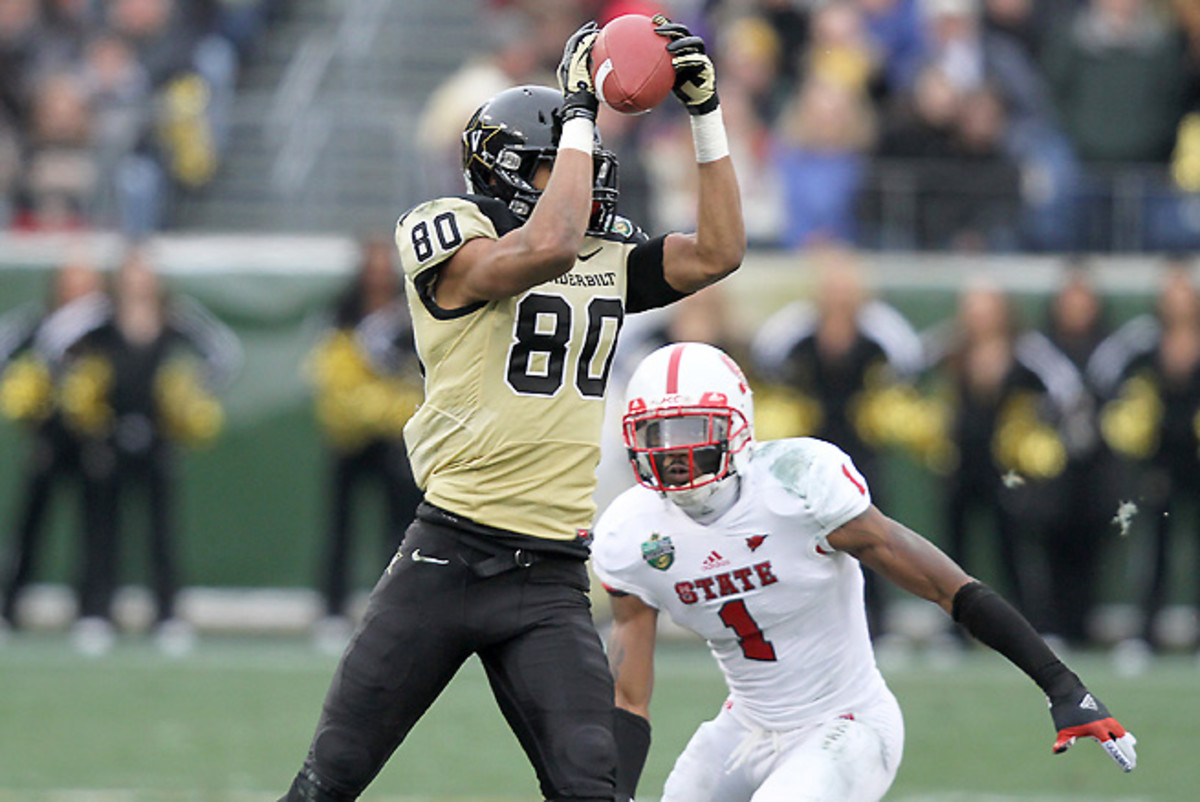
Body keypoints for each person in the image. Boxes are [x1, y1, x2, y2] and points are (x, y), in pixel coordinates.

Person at [279, 14, 744, 802]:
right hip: (447, 554)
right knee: (332, 778)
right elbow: (544, 246)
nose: (588, 181)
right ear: (502, 171)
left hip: (550, 575)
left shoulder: (599, 251)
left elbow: (718, 252)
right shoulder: (448, 230)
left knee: (592, 782)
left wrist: (706, 115)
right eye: (561, 162)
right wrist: (579, 110)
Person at [594, 341, 1137, 802]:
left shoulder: (795, 485)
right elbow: (628, 698)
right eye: (657, 433)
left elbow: (948, 589)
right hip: (746, 726)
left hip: (847, 722)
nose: (674, 451)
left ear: (736, 426)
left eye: (690, 428)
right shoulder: (633, 532)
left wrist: (1061, 684)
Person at [38, 245, 242, 654]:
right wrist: (78, 383)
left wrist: (192, 387)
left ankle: (166, 614)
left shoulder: (176, 317)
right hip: (107, 437)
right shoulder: (98, 317)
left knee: (161, 531)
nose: (138, 282)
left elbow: (225, 352)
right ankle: (95, 613)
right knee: (101, 528)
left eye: (145, 274)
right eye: (131, 274)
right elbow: (51, 344)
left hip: (159, 436)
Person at [304, 235, 423, 653]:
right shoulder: (341, 314)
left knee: (401, 528)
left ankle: (394, 608)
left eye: (383, 263)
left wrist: (394, 407)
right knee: (341, 524)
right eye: (371, 263)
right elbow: (328, 368)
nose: (377, 271)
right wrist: (357, 405)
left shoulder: (411, 310)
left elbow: (417, 371)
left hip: (395, 435)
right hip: (351, 437)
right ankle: (333, 610)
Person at [0, 257, 107, 633]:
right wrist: (25, 394)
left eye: (85, 280)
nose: (77, 288)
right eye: (70, 280)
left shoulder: (105, 325)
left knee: (94, 529)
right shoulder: (41, 321)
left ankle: (92, 611)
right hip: (48, 437)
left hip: (95, 440)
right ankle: (9, 606)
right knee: (29, 526)